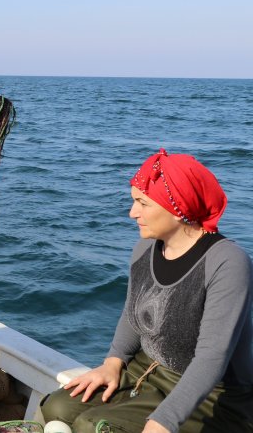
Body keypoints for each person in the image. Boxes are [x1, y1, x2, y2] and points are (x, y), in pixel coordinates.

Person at [40, 149, 253, 433]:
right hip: (146, 371)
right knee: (57, 407)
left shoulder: (227, 262)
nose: (132, 213)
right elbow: (134, 312)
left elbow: (212, 358)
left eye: (142, 203)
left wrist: (164, 421)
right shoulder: (146, 248)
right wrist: (112, 362)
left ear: (177, 207)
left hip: (214, 397)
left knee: (92, 426)